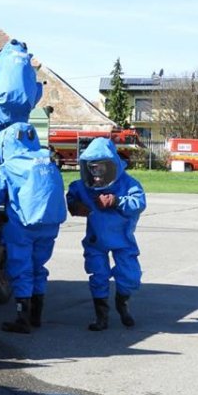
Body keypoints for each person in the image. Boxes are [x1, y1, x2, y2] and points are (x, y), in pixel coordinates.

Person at [0, 122, 67, 333]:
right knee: (39, 268)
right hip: (50, 225)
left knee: (21, 269)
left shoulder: (11, 166)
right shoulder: (47, 159)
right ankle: (36, 315)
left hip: (23, 225)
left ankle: (23, 318)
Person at [66, 137, 146, 330]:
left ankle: (122, 303)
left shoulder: (127, 183)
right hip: (96, 240)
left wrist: (116, 201)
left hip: (123, 238)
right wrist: (75, 206)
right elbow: (71, 195)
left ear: (111, 165)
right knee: (98, 274)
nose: (97, 174)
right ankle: (101, 316)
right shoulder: (84, 186)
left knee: (130, 275)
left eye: (101, 168)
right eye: (92, 168)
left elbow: (139, 203)